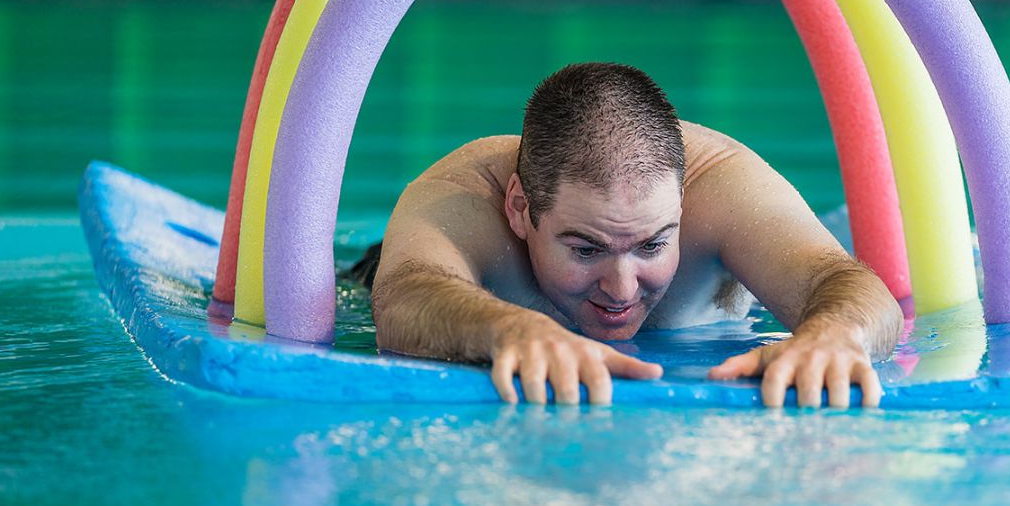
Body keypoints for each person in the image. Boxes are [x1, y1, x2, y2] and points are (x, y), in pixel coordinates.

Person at [363, 62, 903, 408]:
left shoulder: (729, 191)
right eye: (585, 249)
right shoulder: (461, 196)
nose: (622, 289)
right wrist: (508, 327)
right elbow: (402, 299)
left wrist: (834, 334)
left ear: (682, 205)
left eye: (652, 245)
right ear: (520, 208)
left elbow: (848, 286)